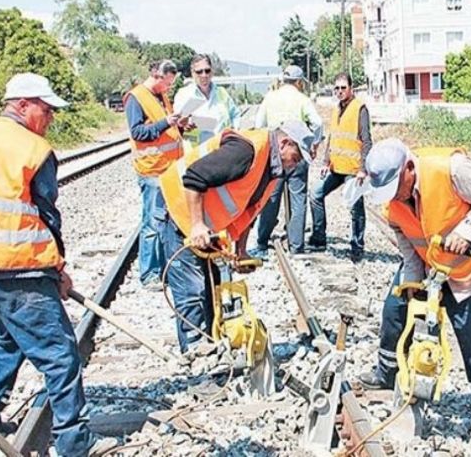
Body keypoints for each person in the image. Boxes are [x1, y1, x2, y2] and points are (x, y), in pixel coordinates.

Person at [0, 73, 115, 456]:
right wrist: (57, 268)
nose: (51, 118)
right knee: (61, 354)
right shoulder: (33, 148)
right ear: (23, 104)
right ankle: (74, 441)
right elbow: (47, 215)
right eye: (46, 110)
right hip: (23, 265)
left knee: (8, 342)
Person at [357, 138, 471, 428]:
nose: (393, 196)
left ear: (409, 168)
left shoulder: (451, 168)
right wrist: (411, 284)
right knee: (395, 309)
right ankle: (389, 372)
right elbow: (408, 249)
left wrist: (467, 231)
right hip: (433, 266)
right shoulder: (393, 206)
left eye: (396, 187)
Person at [155, 120, 321, 353]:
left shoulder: (273, 169)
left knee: (212, 291)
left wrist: (240, 250)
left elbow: (248, 212)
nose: (297, 164)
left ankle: (212, 351)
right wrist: (197, 225)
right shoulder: (247, 151)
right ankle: (197, 362)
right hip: (179, 210)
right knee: (193, 293)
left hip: (205, 223)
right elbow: (194, 177)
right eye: (296, 156)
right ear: (284, 143)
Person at [249, 65, 323, 259]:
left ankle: (262, 242)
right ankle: (296, 245)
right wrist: (313, 143)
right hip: (297, 152)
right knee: (298, 199)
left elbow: (259, 125)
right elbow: (318, 123)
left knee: (270, 198)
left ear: (283, 80)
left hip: (275, 152)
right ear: (299, 82)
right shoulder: (302, 99)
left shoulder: (270, 97)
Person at [124, 60, 185, 288]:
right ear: (157, 76)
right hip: (152, 170)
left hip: (168, 169)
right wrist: (165, 123)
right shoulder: (136, 98)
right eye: (167, 83)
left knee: (166, 222)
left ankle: (163, 269)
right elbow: (138, 132)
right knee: (151, 222)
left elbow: (165, 129)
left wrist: (179, 126)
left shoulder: (161, 96)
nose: (168, 88)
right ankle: (149, 274)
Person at [309, 72, 372, 262]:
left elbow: (367, 141)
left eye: (343, 87)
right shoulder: (336, 109)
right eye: (336, 88)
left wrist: (363, 168)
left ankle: (357, 245)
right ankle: (319, 238)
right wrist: (326, 162)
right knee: (315, 194)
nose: (339, 91)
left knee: (356, 208)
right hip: (336, 167)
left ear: (351, 89)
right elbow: (332, 137)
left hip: (353, 170)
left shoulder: (360, 108)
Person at [173, 53, 241, 148]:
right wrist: (185, 125)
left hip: (223, 151)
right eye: (199, 72)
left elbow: (236, 115)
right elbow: (178, 124)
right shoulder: (183, 95)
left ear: (212, 72)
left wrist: (234, 132)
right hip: (197, 154)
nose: (204, 75)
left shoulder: (222, 93)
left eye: (207, 71)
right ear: (192, 73)